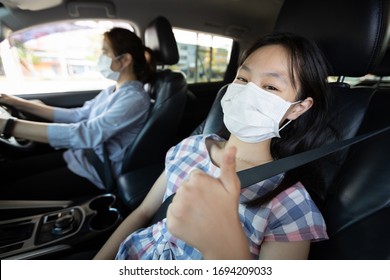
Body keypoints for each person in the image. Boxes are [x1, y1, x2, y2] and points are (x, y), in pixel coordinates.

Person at [94, 32, 336, 260]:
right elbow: (143, 213)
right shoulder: (191, 147)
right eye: (242, 78)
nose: (247, 92)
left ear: (297, 108)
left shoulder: (291, 207)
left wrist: (224, 245)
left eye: (270, 87)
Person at [0, 27, 152, 200]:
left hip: (95, 171)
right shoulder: (113, 90)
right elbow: (77, 115)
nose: (100, 58)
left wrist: (8, 126)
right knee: (8, 172)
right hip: (81, 156)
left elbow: (87, 134)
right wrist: (17, 103)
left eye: (105, 52)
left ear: (124, 60)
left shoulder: (134, 99)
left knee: (8, 192)